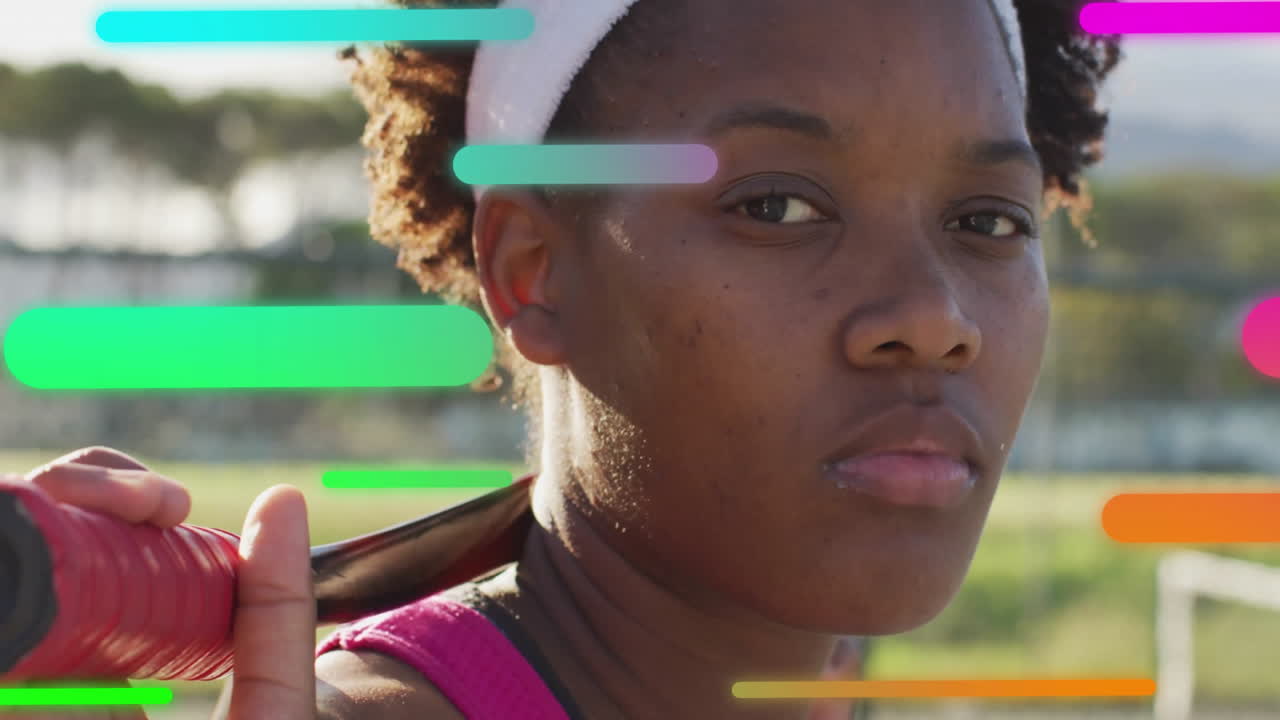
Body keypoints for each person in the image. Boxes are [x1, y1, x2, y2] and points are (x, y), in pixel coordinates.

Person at [12, 0, 1123, 717]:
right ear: (532, 271)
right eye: (777, 204)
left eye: (988, 221)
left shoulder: (819, 677)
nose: (932, 319)